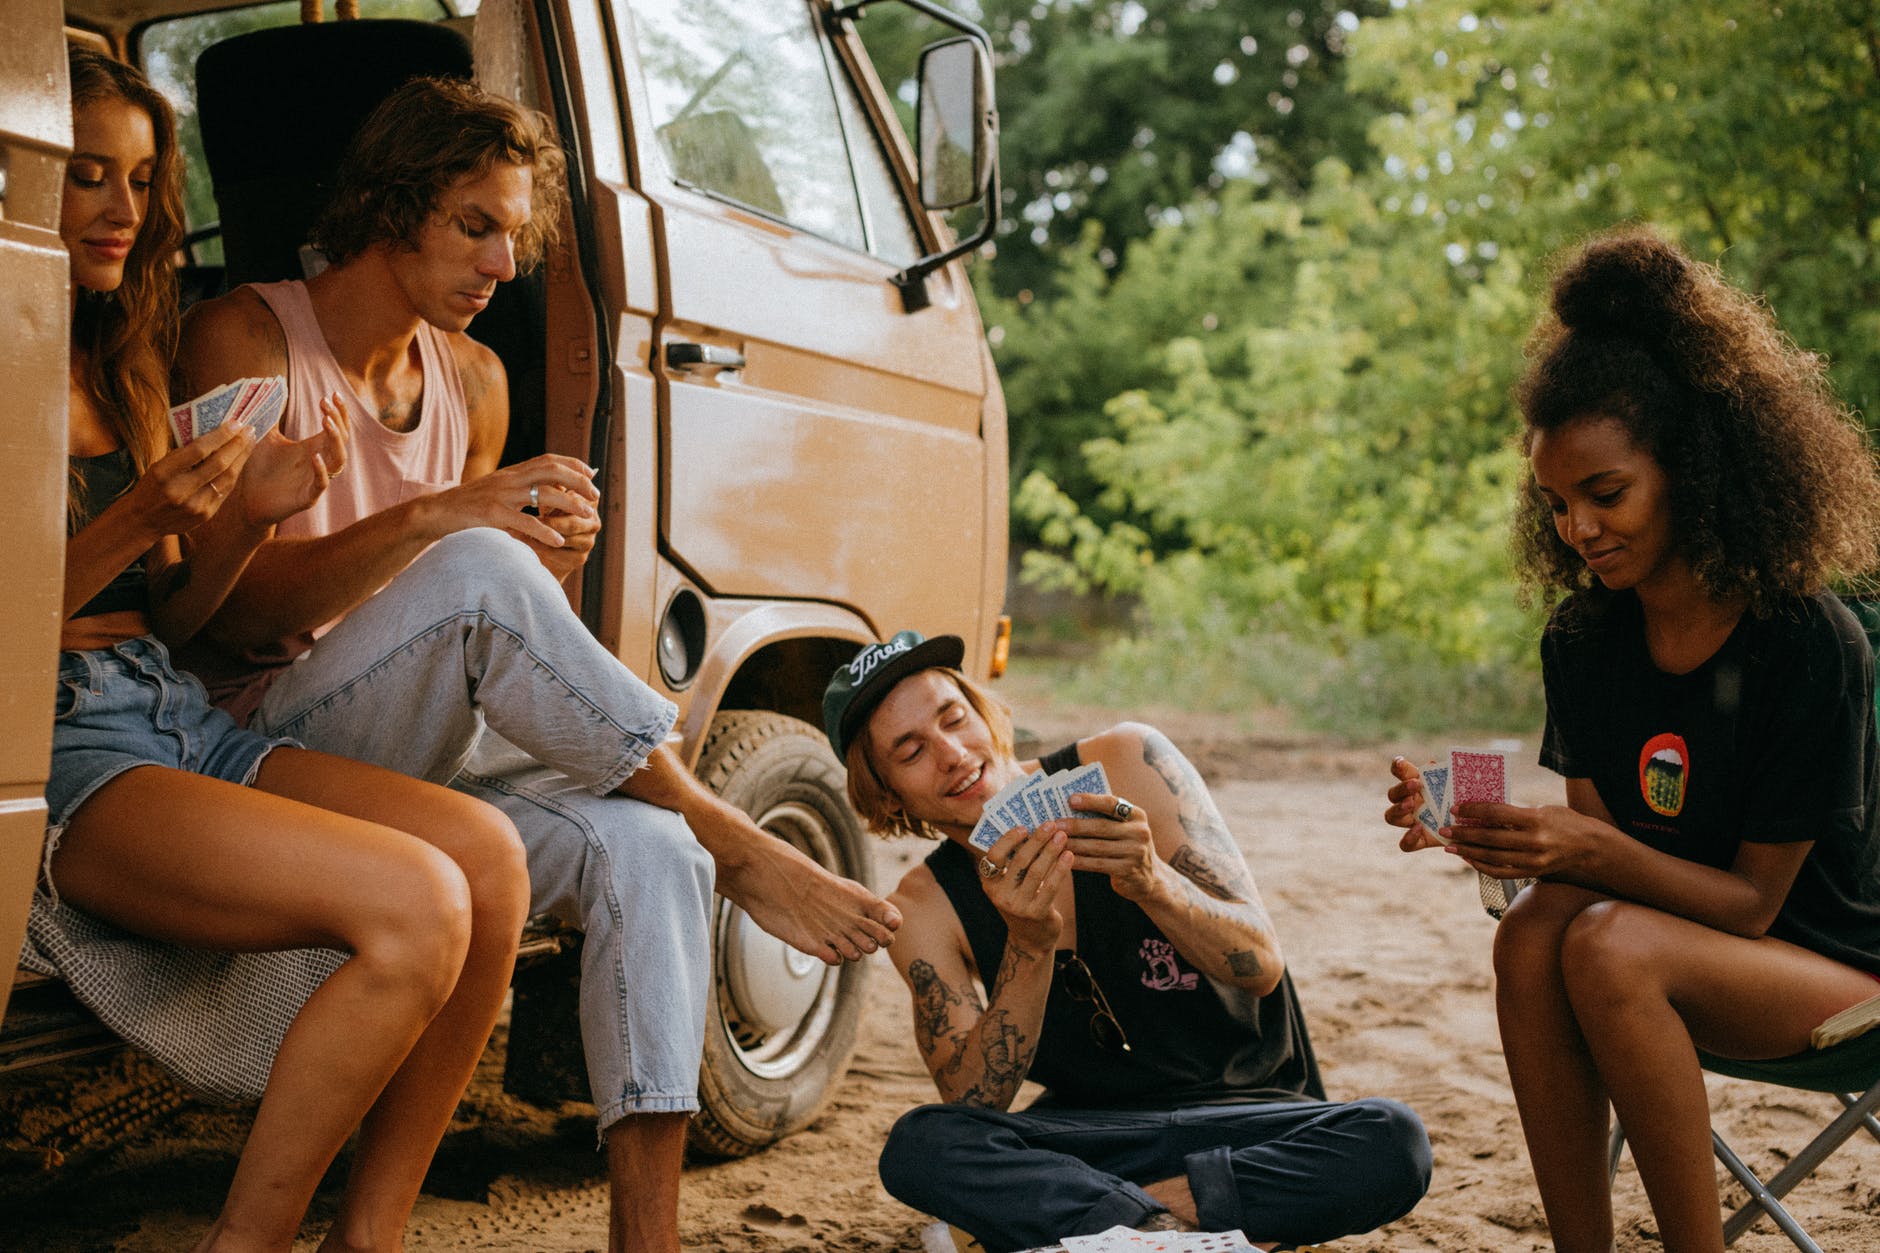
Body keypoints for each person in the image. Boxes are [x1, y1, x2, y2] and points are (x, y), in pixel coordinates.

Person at [171, 75, 899, 1253]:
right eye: (474, 224)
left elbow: (479, 638)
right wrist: (448, 522)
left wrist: (542, 552)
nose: (503, 264)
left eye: (515, 234)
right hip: (260, 744)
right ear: (388, 205)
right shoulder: (246, 336)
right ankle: (741, 839)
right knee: (472, 572)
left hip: (418, 749)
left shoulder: (474, 380)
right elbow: (216, 624)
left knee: (647, 847)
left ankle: (641, 1236)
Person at [37, 49, 532, 1253]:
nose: (124, 207)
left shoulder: (126, 360)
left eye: (145, 180)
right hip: (55, 738)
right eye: (87, 174)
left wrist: (243, 518)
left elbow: (185, 624)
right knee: (417, 901)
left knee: (491, 857)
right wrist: (139, 517)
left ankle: (370, 1232)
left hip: (168, 706)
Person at [1383, 229, 1880, 1253]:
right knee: (1531, 931)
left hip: (1831, 967)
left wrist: (1581, 852)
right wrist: (1498, 839)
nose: (1576, 529)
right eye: (1555, 503)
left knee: (1605, 944)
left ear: (1692, 469)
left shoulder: (1804, 641)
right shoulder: (1583, 635)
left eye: (1603, 494)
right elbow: (1602, 871)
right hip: (1668, 942)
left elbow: (1746, 903)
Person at [824, 631, 1431, 1251]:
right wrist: (1028, 947)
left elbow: (1261, 966)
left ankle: (1122, 1226)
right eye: (910, 751)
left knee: (1393, 1138)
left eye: (954, 718)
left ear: (984, 713)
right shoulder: (922, 907)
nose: (952, 753)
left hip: (1250, 1119)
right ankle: (1189, 1230)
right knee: (922, 1145)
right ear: (884, 791)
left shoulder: (1128, 762)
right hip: (1096, 1135)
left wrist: (1153, 884)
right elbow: (976, 1098)